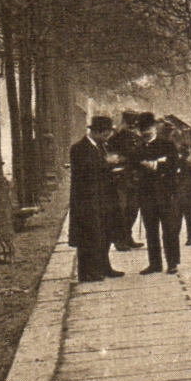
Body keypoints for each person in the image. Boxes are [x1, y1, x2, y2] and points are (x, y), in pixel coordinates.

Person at [69, 116, 126, 282]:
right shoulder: (79, 148)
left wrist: (114, 164)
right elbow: (86, 171)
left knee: (105, 233)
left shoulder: (101, 146)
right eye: (105, 133)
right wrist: (107, 163)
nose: (107, 137)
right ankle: (87, 272)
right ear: (95, 132)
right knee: (88, 235)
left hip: (104, 197)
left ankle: (104, 267)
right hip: (87, 199)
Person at [133, 113, 181, 274]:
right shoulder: (137, 149)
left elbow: (174, 165)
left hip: (165, 192)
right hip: (146, 194)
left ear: (154, 128)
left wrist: (155, 166)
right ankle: (155, 264)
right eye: (142, 129)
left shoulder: (167, 145)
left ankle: (172, 262)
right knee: (151, 230)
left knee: (169, 229)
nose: (145, 132)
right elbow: (133, 168)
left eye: (148, 128)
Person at [109, 111, 144, 250]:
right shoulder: (115, 138)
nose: (131, 126)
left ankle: (128, 236)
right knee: (121, 209)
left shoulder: (136, 137)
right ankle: (119, 240)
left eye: (133, 124)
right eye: (129, 123)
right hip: (120, 178)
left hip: (134, 177)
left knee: (133, 209)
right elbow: (112, 156)